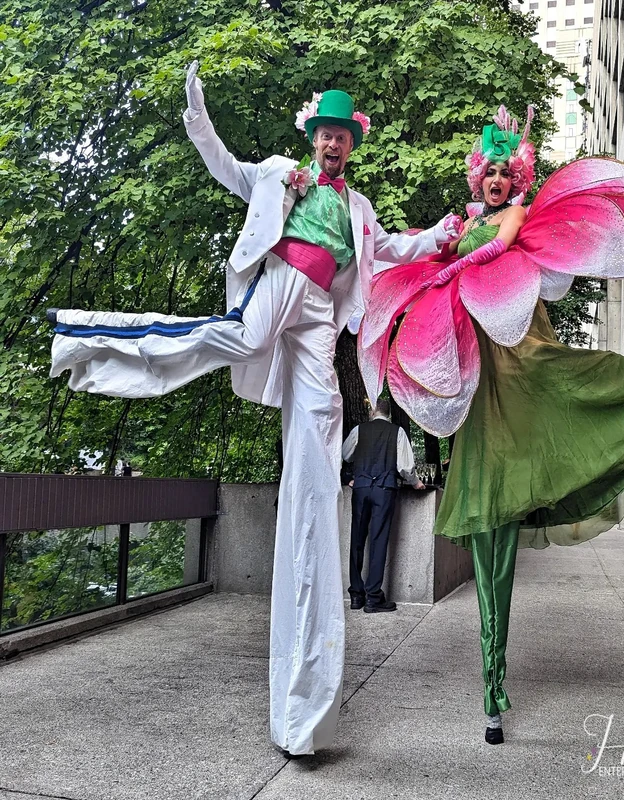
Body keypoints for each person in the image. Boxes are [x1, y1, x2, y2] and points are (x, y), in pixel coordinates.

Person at [47, 63, 463, 757]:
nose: (333, 146)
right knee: (236, 336)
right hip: (280, 285)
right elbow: (223, 165)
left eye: (342, 138)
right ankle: (95, 337)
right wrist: (195, 114)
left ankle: (304, 701)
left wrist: (445, 232)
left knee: (323, 420)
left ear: (352, 145)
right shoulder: (277, 174)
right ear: (313, 139)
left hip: (322, 312)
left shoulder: (357, 208)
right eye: (325, 135)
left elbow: (392, 251)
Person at [359, 105, 624, 745]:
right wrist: (431, 249)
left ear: (518, 181)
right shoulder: (460, 228)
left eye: (509, 174)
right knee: (489, 555)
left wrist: (450, 257)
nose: (498, 182)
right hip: (487, 414)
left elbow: (501, 245)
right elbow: (422, 263)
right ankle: (491, 689)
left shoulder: (510, 221)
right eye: (490, 174)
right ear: (476, 177)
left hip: (536, 380)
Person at [342, 397, 424, 613]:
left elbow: (345, 454)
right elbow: (405, 467)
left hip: (360, 488)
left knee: (357, 541)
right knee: (378, 541)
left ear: (372, 411)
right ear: (388, 413)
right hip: (384, 490)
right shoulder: (397, 432)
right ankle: (373, 598)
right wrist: (415, 482)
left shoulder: (360, 430)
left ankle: (356, 595)